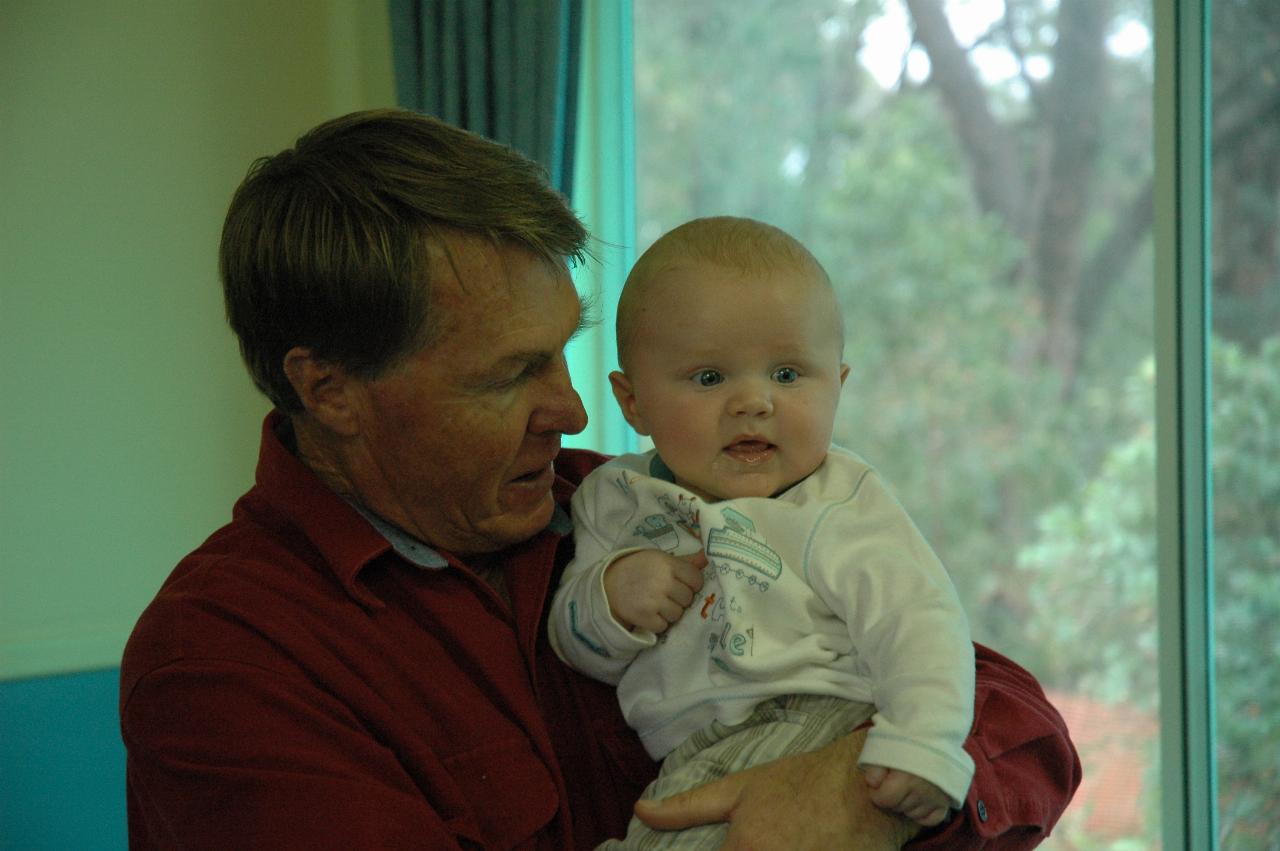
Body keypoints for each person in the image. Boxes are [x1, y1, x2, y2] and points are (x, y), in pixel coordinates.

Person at [119, 108, 1081, 850]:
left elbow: (1023, 725)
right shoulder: (222, 660)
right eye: (509, 375)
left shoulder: (621, 498)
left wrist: (857, 797)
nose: (575, 412)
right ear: (329, 388)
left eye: (563, 353)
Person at [549, 217, 973, 848]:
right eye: (710, 378)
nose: (754, 402)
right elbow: (576, 646)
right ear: (632, 401)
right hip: (688, 755)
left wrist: (924, 742)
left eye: (786, 375)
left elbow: (917, 622)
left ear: (838, 385)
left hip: (813, 720)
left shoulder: (838, 501)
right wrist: (609, 598)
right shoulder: (613, 499)